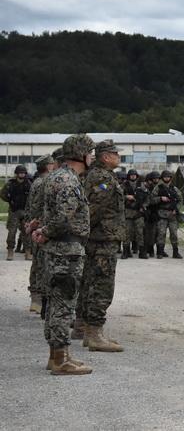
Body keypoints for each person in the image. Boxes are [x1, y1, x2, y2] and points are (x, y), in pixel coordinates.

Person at [28, 134, 95, 375]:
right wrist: (45, 231)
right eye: (91, 153)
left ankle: (58, 355)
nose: (93, 157)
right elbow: (63, 217)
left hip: (59, 249)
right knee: (63, 304)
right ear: (82, 155)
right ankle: (60, 359)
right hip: (66, 250)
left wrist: (42, 229)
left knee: (58, 302)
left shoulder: (57, 176)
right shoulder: (68, 180)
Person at [78, 139, 126, 353]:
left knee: (92, 282)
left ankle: (89, 331)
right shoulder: (102, 177)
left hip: (100, 238)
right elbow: (94, 210)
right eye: (116, 153)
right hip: (102, 240)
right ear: (106, 156)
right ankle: (95, 334)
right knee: (101, 286)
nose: (119, 157)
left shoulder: (100, 175)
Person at [26, 152, 58, 314]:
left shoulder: (37, 182)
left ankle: (36, 300)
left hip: (36, 227)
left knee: (38, 263)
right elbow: (39, 207)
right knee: (41, 264)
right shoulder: (45, 182)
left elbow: (30, 207)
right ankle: (39, 300)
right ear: (49, 165)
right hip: (41, 228)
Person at [149, 169, 183, 259]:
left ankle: (175, 252)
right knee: (161, 233)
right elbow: (151, 199)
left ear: (170, 178)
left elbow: (180, 200)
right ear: (162, 178)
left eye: (168, 177)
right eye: (165, 177)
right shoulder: (157, 188)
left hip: (172, 214)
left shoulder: (174, 189)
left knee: (174, 234)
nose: (166, 178)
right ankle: (160, 252)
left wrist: (177, 209)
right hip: (161, 214)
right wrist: (160, 198)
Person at [3, 163, 32, 260]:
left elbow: (33, 196)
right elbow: (2, 194)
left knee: (26, 232)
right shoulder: (10, 184)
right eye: (20, 173)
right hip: (14, 211)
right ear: (16, 173)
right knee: (12, 232)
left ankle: (28, 252)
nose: (22, 175)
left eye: (23, 173)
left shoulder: (29, 184)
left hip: (25, 211)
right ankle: (10, 251)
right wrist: (9, 200)